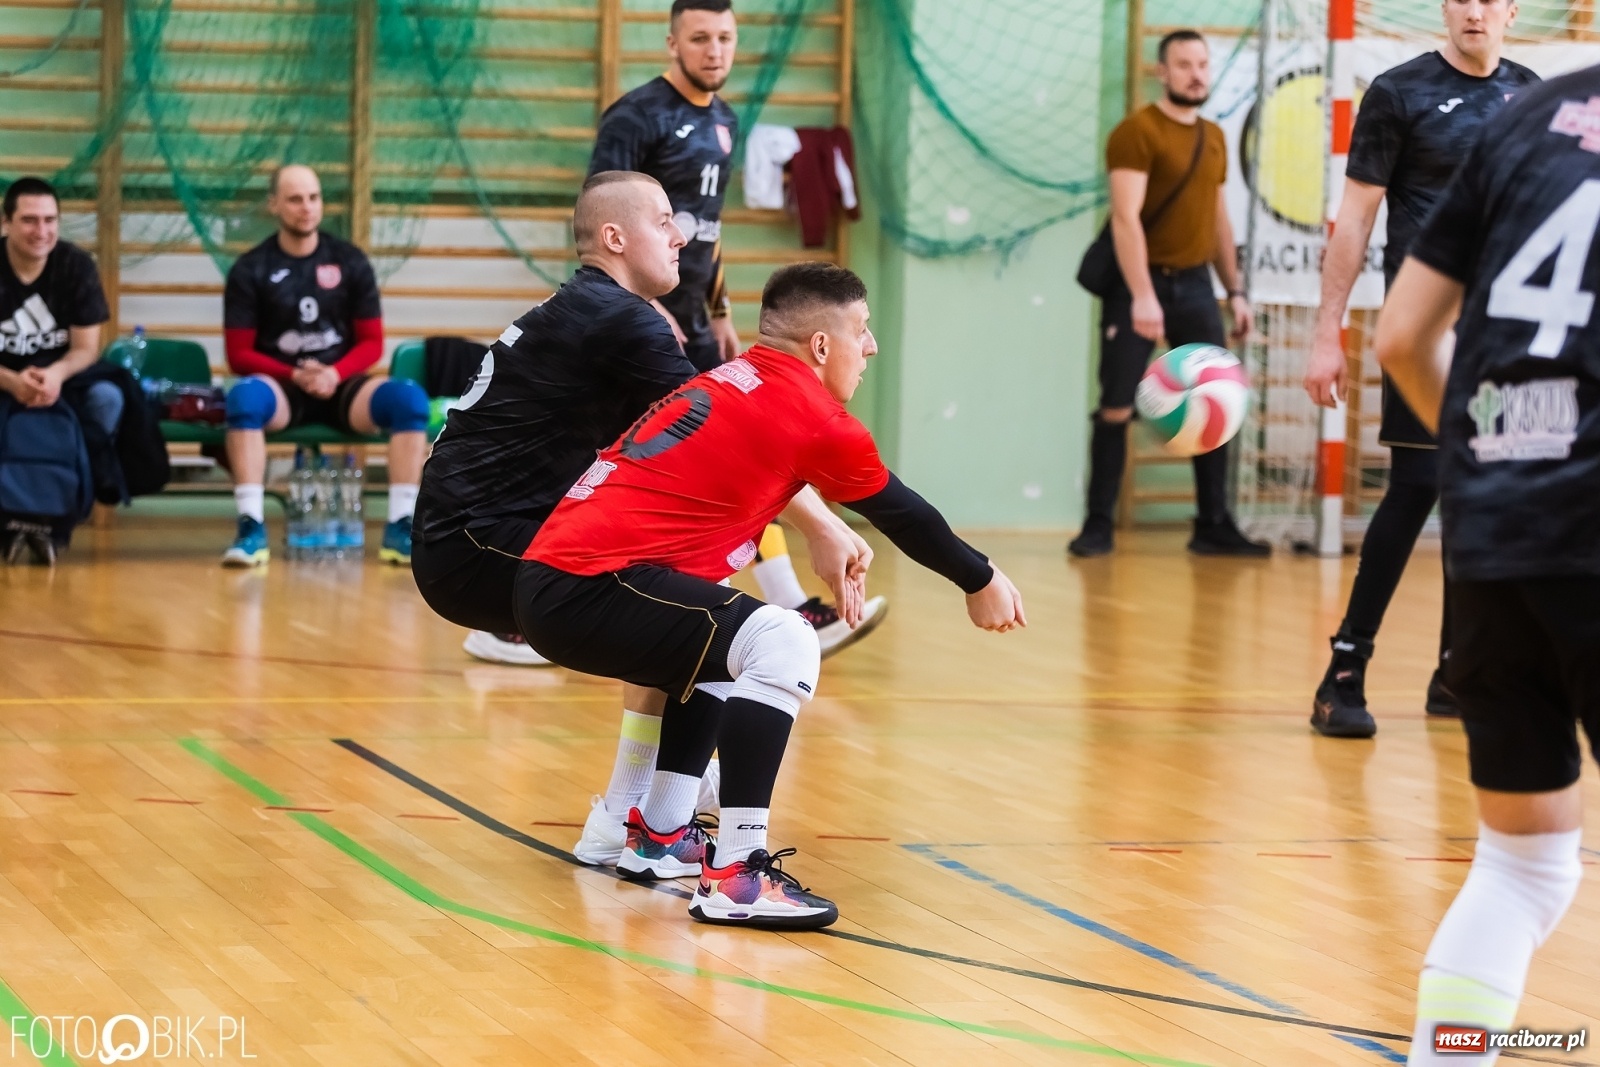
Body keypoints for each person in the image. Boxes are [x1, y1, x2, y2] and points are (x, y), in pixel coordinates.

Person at [514, 263, 1026, 929]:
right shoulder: (806, 410)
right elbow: (905, 514)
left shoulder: (736, 378)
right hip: (586, 583)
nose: (870, 347)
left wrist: (820, 530)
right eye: (862, 331)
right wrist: (980, 578)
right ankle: (737, 873)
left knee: (728, 643)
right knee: (782, 637)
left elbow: (756, 472)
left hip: (562, 580)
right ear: (820, 344)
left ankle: (661, 830)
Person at [412, 172, 869, 865]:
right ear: (614, 238)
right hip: (478, 543)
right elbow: (730, 434)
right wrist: (822, 525)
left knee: (676, 592)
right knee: (696, 619)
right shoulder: (619, 319)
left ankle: (636, 816)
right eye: (662, 220)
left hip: (474, 534)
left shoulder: (600, 310)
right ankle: (660, 810)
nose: (680, 233)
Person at [1373, 64, 1599, 1065]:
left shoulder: (1526, 115)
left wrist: (1489, 464)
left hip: (1492, 527)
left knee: (1521, 868)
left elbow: (1400, 336)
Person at [585, 0, 888, 656]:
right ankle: (519, 611)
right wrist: (641, 312)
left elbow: (706, 232)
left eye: (724, 37)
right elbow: (599, 227)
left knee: (735, 459)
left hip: (691, 322)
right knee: (610, 460)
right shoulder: (635, 118)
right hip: (637, 328)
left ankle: (790, 606)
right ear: (672, 42)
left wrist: (718, 311)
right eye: (699, 38)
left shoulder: (723, 118)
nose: (714, 50)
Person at [1303, 0, 1535, 739]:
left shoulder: (1534, 99)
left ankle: (1455, 673)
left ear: (1511, 13)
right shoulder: (1398, 93)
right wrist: (1325, 332)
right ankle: (1342, 673)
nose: (1474, 10)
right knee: (1416, 489)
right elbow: (1355, 220)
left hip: (1502, 339)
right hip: (1425, 332)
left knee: (1488, 500)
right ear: (1446, 10)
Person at [1068, 29, 1265, 559]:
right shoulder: (1137, 133)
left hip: (1197, 283)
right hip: (1140, 284)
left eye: (1202, 64)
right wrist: (1142, 296)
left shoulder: (1215, 136)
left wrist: (1236, 290)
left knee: (1217, 398)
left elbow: (1219, 219)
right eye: (1184, 64)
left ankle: (1213, 525)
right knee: (1115, 407)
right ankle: (1097, 526)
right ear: (1163, 71)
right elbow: (1127, 220)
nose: (1196, 73)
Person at [219, 164, 431, 567]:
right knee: (243, 398)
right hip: (281, 388)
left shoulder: (349, 262)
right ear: (274, 205)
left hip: (342, 386)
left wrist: (334, 373)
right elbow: (239, 354)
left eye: (313, 198)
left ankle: (400, 527)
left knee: (409, 401)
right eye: (295, 199)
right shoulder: (251, 268)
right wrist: (295, 374)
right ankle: (251, 528)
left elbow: (372, 343)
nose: (307, 208)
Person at [0, 176, 118, 563]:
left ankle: (65, 509)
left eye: (50, 221)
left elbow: (87, 348)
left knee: (108, 398)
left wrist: (55, 376)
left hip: (60, 377)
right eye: (30, 220)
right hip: (4, 377)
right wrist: (12, 381)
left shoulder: (76, 265)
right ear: (6, 223)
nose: (42, 231)